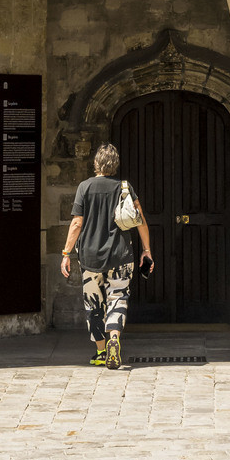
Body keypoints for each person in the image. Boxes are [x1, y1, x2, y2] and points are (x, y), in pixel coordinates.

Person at [61, 142, 153, 369]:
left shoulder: (85, 187)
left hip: (90, 257)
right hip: (121, 255)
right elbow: (139, 219)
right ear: (115, 165)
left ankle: (101, 352)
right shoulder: (124, 187)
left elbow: (76, 223)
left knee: (94, 304)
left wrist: (66, 253)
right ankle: (114, 338)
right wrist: (147, 251)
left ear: (96, 164)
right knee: (118, 297)